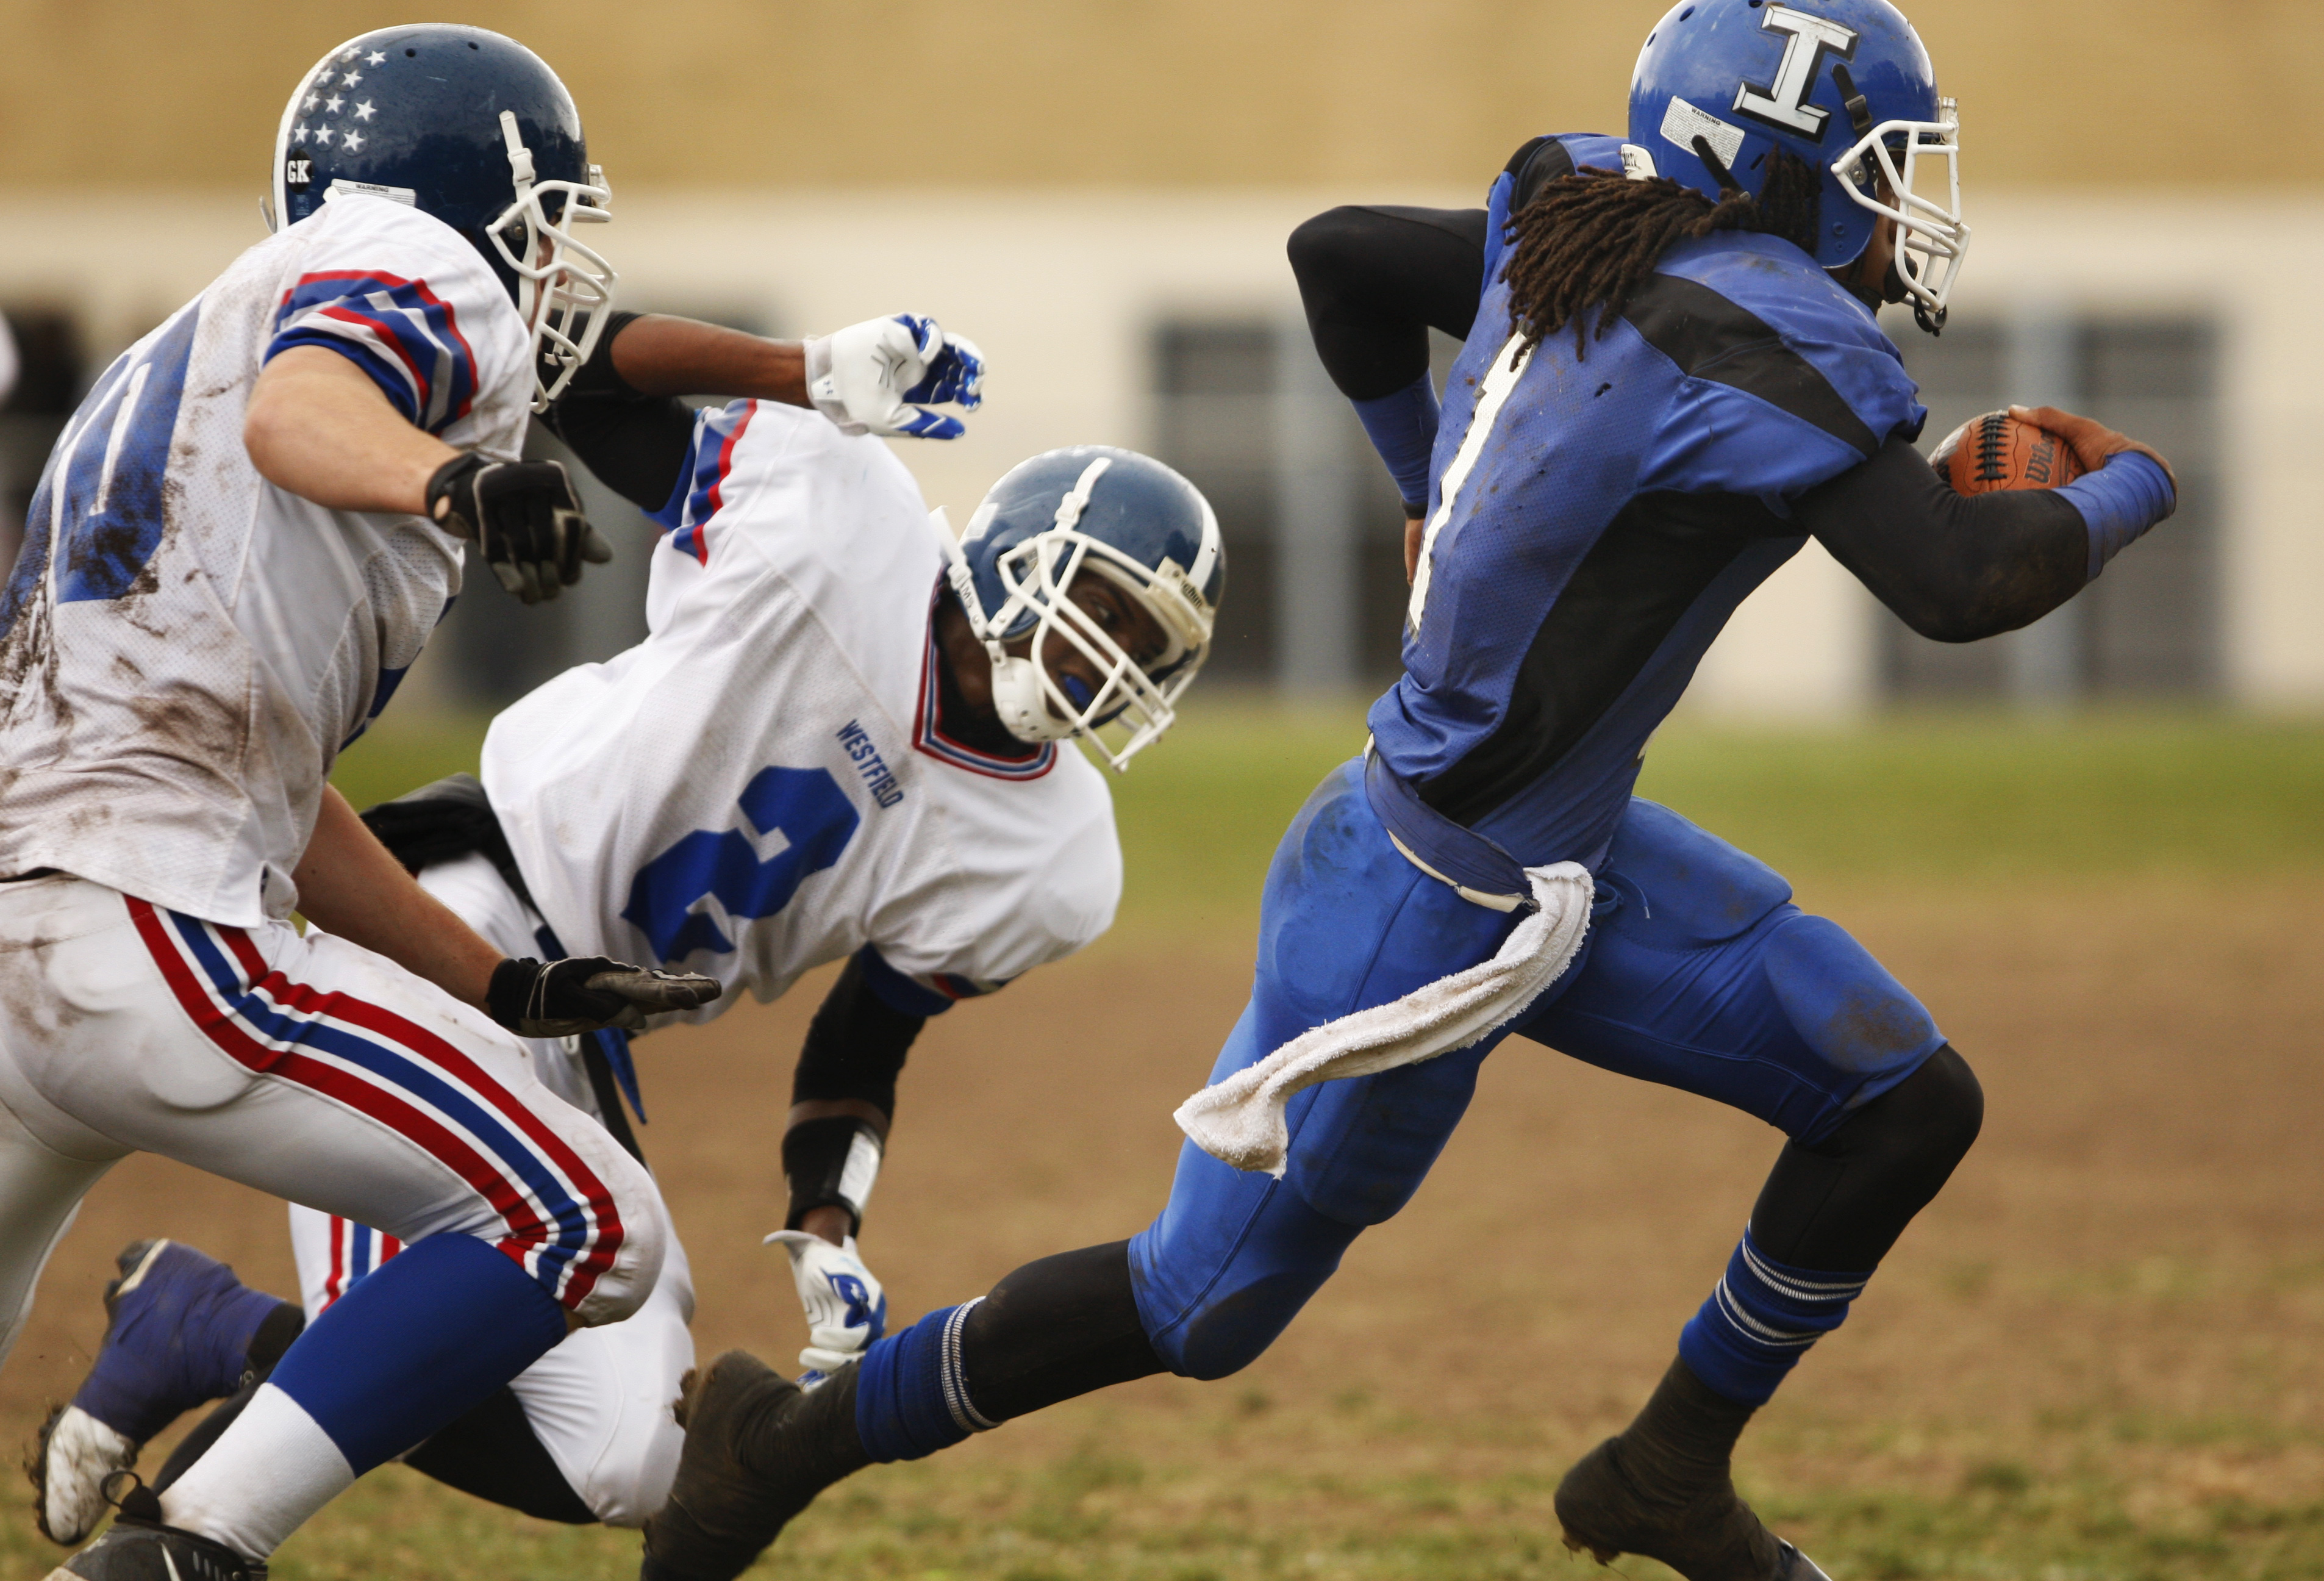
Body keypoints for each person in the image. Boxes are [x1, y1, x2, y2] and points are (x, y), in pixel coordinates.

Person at [632, 4, 2183, 1581]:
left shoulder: (1583, 217)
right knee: (1197, 1308)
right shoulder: (1767, 331)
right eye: (1881, 163)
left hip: (1552, 854)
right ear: (1784, 171)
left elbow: (1343, 255)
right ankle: (779, 1446)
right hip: (1423, 909)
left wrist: (1418, 476)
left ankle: (1666, 1472)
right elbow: (1961, 587)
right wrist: (2142, 479)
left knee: (1903, 1102)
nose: (1908, 201)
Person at [28, 299, 1226, 1541]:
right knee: (409, 1327)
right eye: (1104, 605)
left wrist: (829, 1226)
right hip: (458, 908)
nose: (1107, 657)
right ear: (1021, 549)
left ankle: (205, 1322)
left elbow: (865, 1043)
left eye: (1147, 644)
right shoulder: (839, 514)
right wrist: (801, 370)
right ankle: (184, 1542)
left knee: (631, 1463)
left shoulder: (1058, 858)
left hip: (590, 1028)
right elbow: (586, 381)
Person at [0, 24, 765, 1580]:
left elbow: (268, 779)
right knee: (583, 1219)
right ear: (471, 190)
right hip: (150, 925)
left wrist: (499, 977)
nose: (553, 270)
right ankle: (197, 1545)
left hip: (31, 927)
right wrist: (450, 480)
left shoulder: (167, 356)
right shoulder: (419, 263)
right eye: (548, 220)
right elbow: (307, 407)